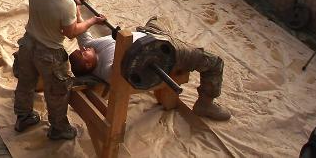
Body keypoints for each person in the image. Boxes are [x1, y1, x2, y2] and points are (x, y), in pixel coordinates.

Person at [13, 0, 106, 140]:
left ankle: (23, 117)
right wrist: (92, 21)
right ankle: (59, 129)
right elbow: (71, 33)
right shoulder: (66, 4)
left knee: (25, 82)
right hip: (50, 54)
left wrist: (73, 3)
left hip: (28, 44)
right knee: (57, 92)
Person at [68, 16, 232, 121]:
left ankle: (179, 42)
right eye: (83, 54)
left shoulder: (90, 47)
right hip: (163, 52)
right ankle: (205, 103)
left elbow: (81, 33)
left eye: (81, 50)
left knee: (159, 18)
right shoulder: (108, 70)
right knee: (215, 62)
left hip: (150, 33)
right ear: (89, 65)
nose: (83, 49)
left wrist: (75, 4)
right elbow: (122, 75)